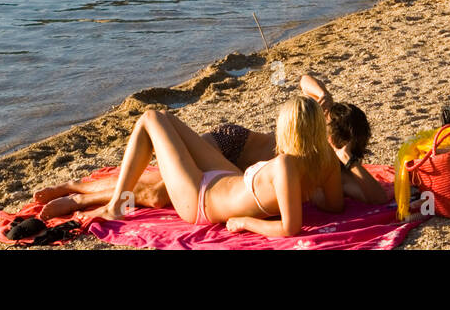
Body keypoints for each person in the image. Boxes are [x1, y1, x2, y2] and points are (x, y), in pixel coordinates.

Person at [34, 76, 388, 218]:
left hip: (236, 177)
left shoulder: (327, 164)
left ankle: (87, 198)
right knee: (158, 185)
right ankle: (79, 189)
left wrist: (351, 158)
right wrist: (323, 96)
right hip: (231, 145)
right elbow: (303, 81)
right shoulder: (309, 123)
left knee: (158, 192)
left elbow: (374, 196)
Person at [81, 96, 342, 237]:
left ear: (287, 129)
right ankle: (108, 199)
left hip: (200, 200)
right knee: (164, 117)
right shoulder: (327, 159)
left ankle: (117, 206)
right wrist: (303, 191)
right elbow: (334, 205)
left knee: (150, 119)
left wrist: (245, 222)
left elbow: (290, 229)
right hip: (231, 178)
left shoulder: (285, 164)